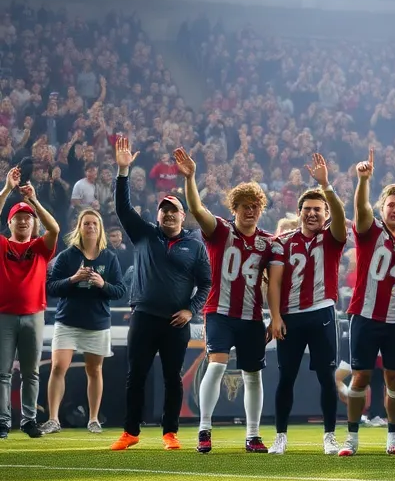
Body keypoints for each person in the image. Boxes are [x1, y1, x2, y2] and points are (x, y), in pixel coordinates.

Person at [175, 148, 284, 454]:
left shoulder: (268, 242)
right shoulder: (221, 230)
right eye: (245, 206)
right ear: (234, 208)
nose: (251, 211)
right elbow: (196, 209)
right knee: (217, 365)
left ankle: (252, 435)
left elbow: (273, 282)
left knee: (253, 374)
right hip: (219, 311)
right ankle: (204, 428)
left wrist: (273, 316)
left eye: (255, 206)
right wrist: (191, 177)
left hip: (250, 316)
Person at [109, 136, 212, 452]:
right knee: (135, 377)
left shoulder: (194, 245)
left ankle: (170, 433)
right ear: (157, 215)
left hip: (175, 323)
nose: (168, 215)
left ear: (183, 216)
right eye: (164, 210)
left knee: (172, 378)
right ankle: (131, 432)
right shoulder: (144, 235)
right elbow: (123, 208)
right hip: (143, 316)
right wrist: (123, 171)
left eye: (174, 211)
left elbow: (206, 284)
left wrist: (190, 310)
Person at [340, 148, 395, 457]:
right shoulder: (369, 231)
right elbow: (360, 209)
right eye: (391, 205)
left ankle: (393, 440)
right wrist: (363, 181)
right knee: (360, 376)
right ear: (382, 207)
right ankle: (352, 438)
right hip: (364, 314)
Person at [270, 155, 346, 455]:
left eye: (318, 209)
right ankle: (280, 435)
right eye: (307, 209)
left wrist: (326, 185)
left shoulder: (332, 238)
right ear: (299, 212)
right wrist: (275, 316)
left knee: (326, 377)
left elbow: (340, 219)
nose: (312, 214)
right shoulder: (283, 242)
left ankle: (329, 435)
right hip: (290, 316)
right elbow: (273, 283)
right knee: (286, 377)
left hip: (322, 313)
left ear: (325, 213)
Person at [43, 208, 125, 433]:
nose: (90, 227)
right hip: (67, 320)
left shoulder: (109, 257)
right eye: (86, 223)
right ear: (79, 227)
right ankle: (53, 419)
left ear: (100, 229)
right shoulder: (68, 256)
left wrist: (102, 284)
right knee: (58, 367)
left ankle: (94, 419)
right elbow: (50, 287)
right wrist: (72, 279)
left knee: (95, 370)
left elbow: (120, 291)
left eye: (94, 224)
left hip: (97, 322)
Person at [0, 167, 60, 438]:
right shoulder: (2, 245)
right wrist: (6, 190)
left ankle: (28, 420)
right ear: (9, 223)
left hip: (34, 314)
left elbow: (55, 228)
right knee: (2, 373)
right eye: (18, 218)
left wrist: (34, 201)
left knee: (31, 373)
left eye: (28, 218)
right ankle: (3, 422)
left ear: (33, 223)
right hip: (4, 315)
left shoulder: (39, 247)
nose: (24, 222)